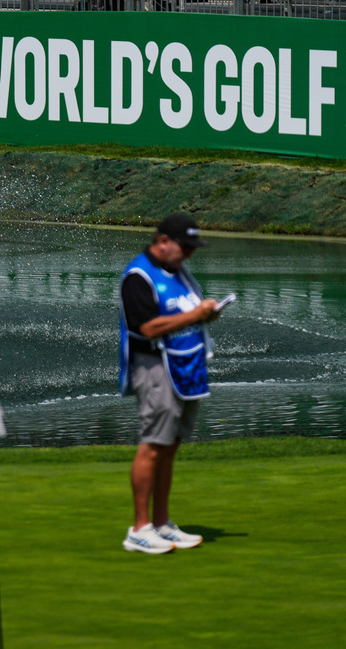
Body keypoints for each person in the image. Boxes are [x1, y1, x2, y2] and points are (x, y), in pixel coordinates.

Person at [118, 214, 221, 554]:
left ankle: (161, 523)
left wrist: (207, 313)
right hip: (153, 367)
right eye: (184, 247)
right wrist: (195, 316)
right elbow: (147, 328)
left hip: (185, 367)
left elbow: (187, 311)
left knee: (171, 444)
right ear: (162, 241)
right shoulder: (138, 276)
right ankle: (139, 528)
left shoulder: (180, 273)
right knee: (153, 443)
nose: (189, 254)